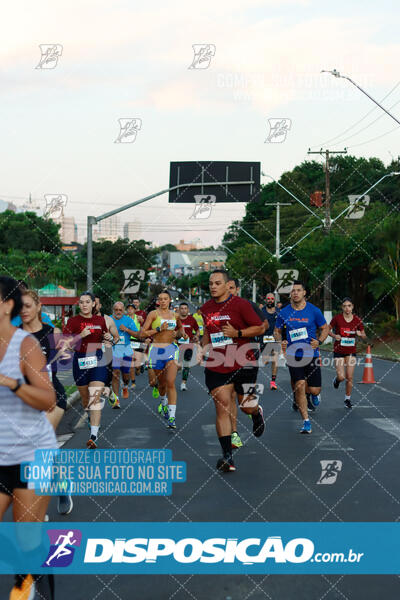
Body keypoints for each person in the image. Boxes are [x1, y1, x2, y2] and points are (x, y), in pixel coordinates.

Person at [0, 277, 57, 600]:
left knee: (27, 540)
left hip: (33, 455)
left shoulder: (26, 345)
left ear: (7, 305)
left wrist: (11, 383)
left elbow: (47, 400)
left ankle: (35, 591)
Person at [201, 270, 265, 472]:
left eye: (217, 283)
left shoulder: (241, 305)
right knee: (222, 407)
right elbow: (207, 333)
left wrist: (237, 333)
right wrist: (202, 348)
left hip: (243, 361)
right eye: (210, 283)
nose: (213, 286)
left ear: (227, 285)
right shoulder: (206, 308)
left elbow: (260, 328)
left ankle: (256, 413)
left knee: (246, 406)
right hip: (217, 363)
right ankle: (227, 457)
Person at [19, 289, 73, 516]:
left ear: (39, 306)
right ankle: (62, 485)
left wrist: (65, 352)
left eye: (28, 306)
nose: (23, 311)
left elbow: (64, 363)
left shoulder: (52, 332)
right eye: (19, 306)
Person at [274, 281, 329, 434]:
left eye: (298, 290)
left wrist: (319, 341)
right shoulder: (284, 312)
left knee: (314, 389)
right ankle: (306, 421)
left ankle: (314, 395)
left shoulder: (314, 311)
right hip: (293, 355)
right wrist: (281, 341)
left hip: (311, 354)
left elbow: (325, 328)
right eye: (293, 291)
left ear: (304, 292)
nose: (295, 293)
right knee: (299, 385)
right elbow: (276, 331)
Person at [63, 292, 109, 449]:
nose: (84, 305)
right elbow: (66, 344)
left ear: (93, 304)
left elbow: (105, 337)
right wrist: (80, 336)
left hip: (97, 358)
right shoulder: (73, 322)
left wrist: (108, 339)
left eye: (87, 302)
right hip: (80, 359)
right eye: (81, 302)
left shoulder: (100, 320)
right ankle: (90, 418)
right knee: (85, 400)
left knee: (95, 396)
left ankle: (93, 436)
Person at [226, 278, 266, 451]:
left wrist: (244, 332)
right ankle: (234, 434)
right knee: (228, 396)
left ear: (238, 289)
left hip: (247, 354)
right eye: (225, 288)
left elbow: (263, 325)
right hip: (224, 356)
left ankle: (256, 413)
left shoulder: (248, 305)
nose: (229, 292)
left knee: (246, 406)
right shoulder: (217, 309)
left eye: (232, 288)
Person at [142, 291, 184, 429]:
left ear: (170, 300)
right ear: (158, 301)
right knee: (161, 384)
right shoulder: (153, 314)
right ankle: (163, 402)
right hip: (156, 350)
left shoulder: (175, 315)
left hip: (172, 349)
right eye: (160, 299)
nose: (163, 301)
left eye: (166, 299)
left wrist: (180, 334)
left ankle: (172, 418)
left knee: (171, 382)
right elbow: (143, 333)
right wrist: (159, 329)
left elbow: (180, 330)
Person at [329, 297, 366, 408]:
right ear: (342, 307)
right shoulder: (337, 318)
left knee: (349, 377)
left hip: (351, 351)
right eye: (345, 306)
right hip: (339, 350)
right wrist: (335, 336)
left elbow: (364, 336)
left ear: (352, 307)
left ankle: (347, 399)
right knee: (341, 377)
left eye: (349, 306)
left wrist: (361, 335)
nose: (347, 308)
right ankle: (336, 380)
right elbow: (327, 329)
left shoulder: (357, 320)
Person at [111, 302, 141, 404]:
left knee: (126, 375)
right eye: (116, 310)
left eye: (120, 310)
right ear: (113, 310)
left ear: (123, 310)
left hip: (126, 350)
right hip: (113, 349)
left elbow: (137, 335)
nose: (118, 312)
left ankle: (125, 386)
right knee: (115, 373)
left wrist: (126, 329)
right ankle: (116, 399)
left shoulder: (128, 320)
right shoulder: (108, 320)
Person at [94, 296, 119, 408]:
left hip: (106, 352)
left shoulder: (107, 319)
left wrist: (111, 341)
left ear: (100, 306)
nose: (94, 305)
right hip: (88, 353)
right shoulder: (82, 320)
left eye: (96, 303)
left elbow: (117, 337)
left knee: (105, 380)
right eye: (92, 303)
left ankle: (109, 392)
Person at [176, 302, 199, 391]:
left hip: (188, 345)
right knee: (177, 365)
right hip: (176, 345)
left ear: (188, 310)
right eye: (182, 308)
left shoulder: (192, 319)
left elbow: (197, 330)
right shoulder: (175, 319)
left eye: (185, 308)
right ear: (179, 310)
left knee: (186, 364)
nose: (183, 310)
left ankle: (183, 383)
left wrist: (196, 336)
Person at [261, 293, 279, 391]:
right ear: (266, 300)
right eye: (268, 299)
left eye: (272, 299)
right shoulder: (261, 312)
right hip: (264, 339)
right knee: (266, 360)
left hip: (275, 339)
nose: (270, 300)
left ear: (274, 300)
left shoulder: (278, 312)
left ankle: (273, 382)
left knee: (275, 359)